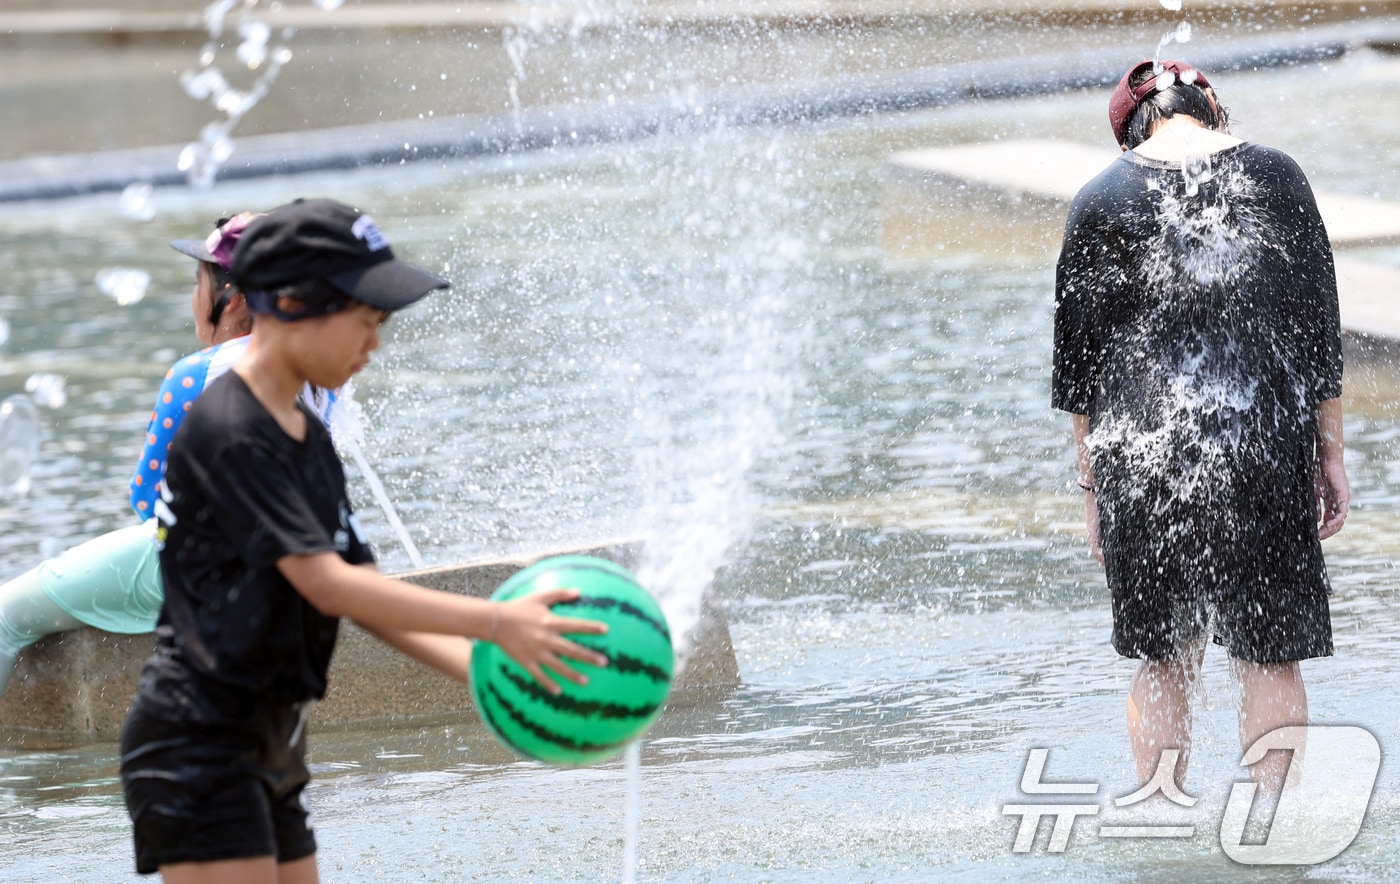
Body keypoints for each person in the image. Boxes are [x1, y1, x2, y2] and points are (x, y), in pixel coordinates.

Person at [119, 198, 609, 883]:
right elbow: (326, 583)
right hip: (198, 739)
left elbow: (368, 597)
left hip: (272, 736)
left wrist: (489, 676)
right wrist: (499, 622)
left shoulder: (309, 437)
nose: (373, 346)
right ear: (288, 304)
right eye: (365, 322)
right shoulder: (229, 427)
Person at [1052, 59, 1348, 793]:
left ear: (1130, 132)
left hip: (1143, 455)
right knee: (1269, 656)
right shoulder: (1277, 176)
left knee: (1164, 660)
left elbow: (1078, 369)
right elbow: (1318, 333)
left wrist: (1092, 490)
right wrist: (1330, 454)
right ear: (1210, 104)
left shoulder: (1099, 197)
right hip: (1258, 443)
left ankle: (1162, 811)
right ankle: (1271, 825)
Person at [0, 213, 262, 698]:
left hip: (195, 566)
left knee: (4, 617)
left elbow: (146, 495)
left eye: (199, 283)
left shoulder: (194, 376)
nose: (193, 298)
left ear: (235, 300)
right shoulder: (315, 368)